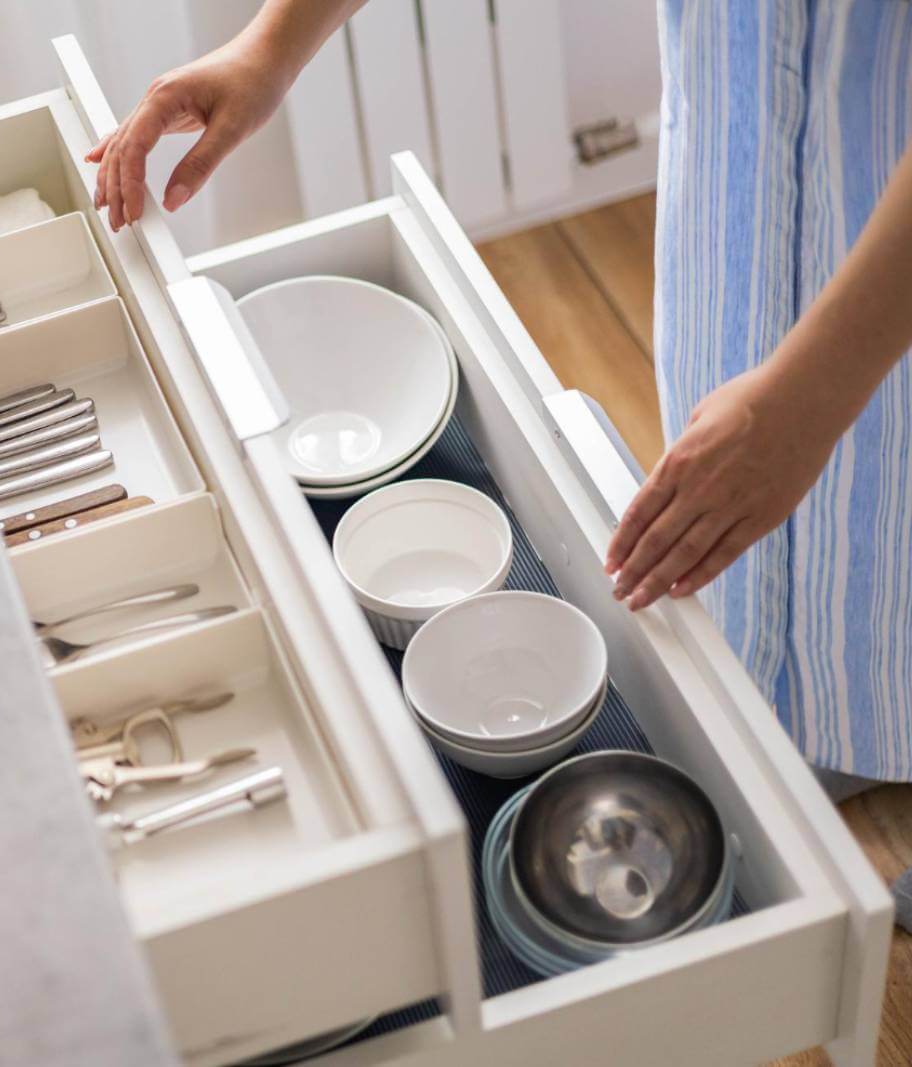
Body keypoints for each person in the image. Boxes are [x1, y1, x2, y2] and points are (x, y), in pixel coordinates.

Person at [91, 0, 912, 922]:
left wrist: (814, 392)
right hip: (746, 179)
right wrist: (270, 46)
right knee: (793, 549)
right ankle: (812, 723)